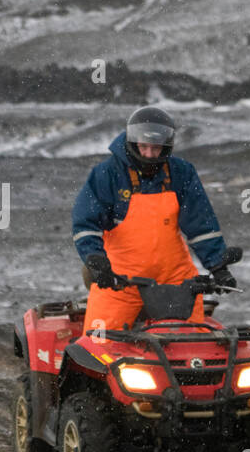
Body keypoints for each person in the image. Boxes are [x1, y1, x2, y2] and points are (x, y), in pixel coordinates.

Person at [71, 106, 235, 332]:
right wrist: (95, 259)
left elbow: (201, 225)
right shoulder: (106, 174)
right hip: (120, 282)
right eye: (143, 147)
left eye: (156, 148)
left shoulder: (182, 172)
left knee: (193, 345)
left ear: (166, 147)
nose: (149, 154)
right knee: (98, 342)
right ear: (132, 142)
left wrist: (219, 266)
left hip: (176, 281)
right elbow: (85, 224)